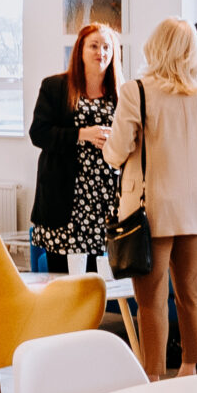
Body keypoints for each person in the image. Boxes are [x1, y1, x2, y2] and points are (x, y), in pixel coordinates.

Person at [107, 17, 197, 379]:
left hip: (151, 208)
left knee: (152, 297)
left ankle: (153, 375)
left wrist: (110, 148)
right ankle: (189, 367)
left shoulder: (136, 91)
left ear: (155, 47)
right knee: (192, 290)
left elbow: (117, 150)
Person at [28, 22, 121, 273]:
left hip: (103, 198)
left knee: (95, 276)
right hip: (63, 196)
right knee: (60, 275)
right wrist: (83, 134)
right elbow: (39, 134)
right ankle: (62, 314)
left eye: (106, 47)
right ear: (79, 50)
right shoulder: (55, 87)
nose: (100, 52)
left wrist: (116, 137)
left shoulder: (121, 93)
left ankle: (92, 315)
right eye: (93, 46)